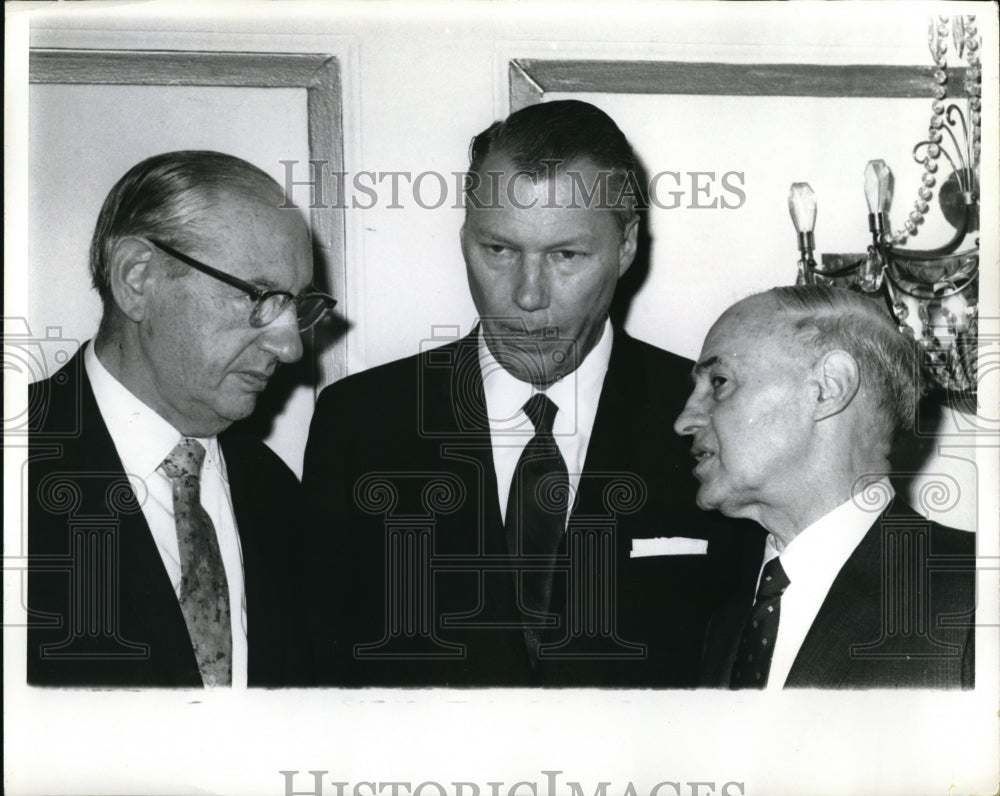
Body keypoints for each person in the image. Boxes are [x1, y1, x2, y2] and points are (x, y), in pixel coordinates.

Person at [301, 99, 761, 687]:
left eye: (566, 255)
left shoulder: (716, 414)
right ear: (464, 237)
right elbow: (321, 672)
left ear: (625, 246)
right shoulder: (359, 422)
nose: (527, 295)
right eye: (499, 250)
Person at [27, 150, 336, 688]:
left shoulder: (277, 493)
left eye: (297, 306)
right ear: (137, 279)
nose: (290, 347)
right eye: (260, 297)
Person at [675, 285, 976, 689]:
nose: (684, 420)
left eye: (719, 381)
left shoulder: (977, 594)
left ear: (829, 387)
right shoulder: (727, 623)